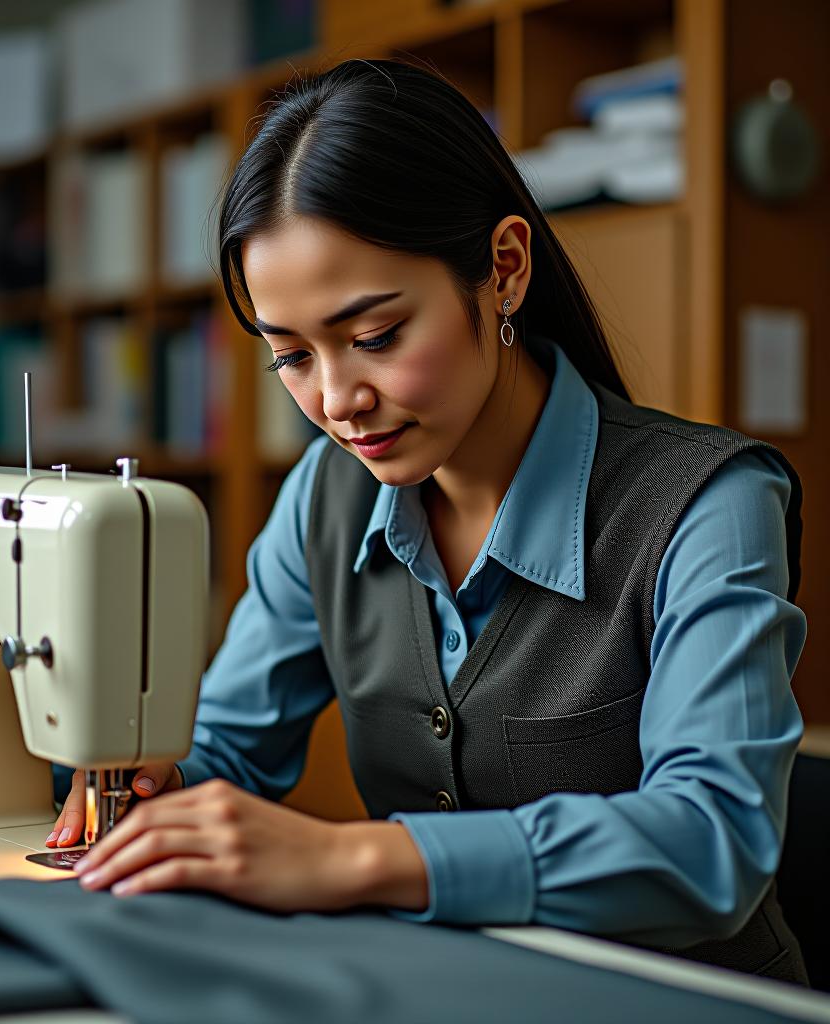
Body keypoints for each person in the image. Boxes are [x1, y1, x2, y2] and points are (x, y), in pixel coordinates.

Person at [46, 59, 808, 983]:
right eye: (289, 357)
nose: (336, 400)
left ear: (505, 270)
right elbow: (228, 752)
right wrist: (153, 790)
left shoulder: (706, 505)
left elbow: (711, 841)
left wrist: (348, 859)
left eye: (374, 338)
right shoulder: (324, 501)